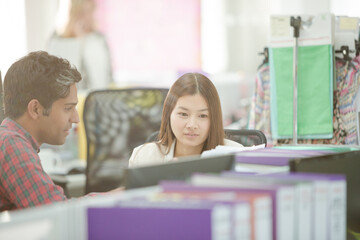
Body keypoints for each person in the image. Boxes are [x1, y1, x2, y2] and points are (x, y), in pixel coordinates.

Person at [0, 51, 119, 212]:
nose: (75, 119)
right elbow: (56, 213)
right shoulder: (11, 144)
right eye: (68, 108)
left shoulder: (10, 139)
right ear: (36, 109)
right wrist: (120, 197)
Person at [128, 73, 243, 167]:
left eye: (202, 116)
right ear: (168, 114)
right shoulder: (145, 158)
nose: (192, 125)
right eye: (183, 114)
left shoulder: (237, 155)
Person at [47, 0, 112, 90]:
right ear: (73, 13)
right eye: (83, 12)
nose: (87, 17)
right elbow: (61, 75)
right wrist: (78, 41)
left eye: (90, 11)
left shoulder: (98, 39)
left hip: (97, 95)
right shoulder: (58, 39)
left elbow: (106, 75)